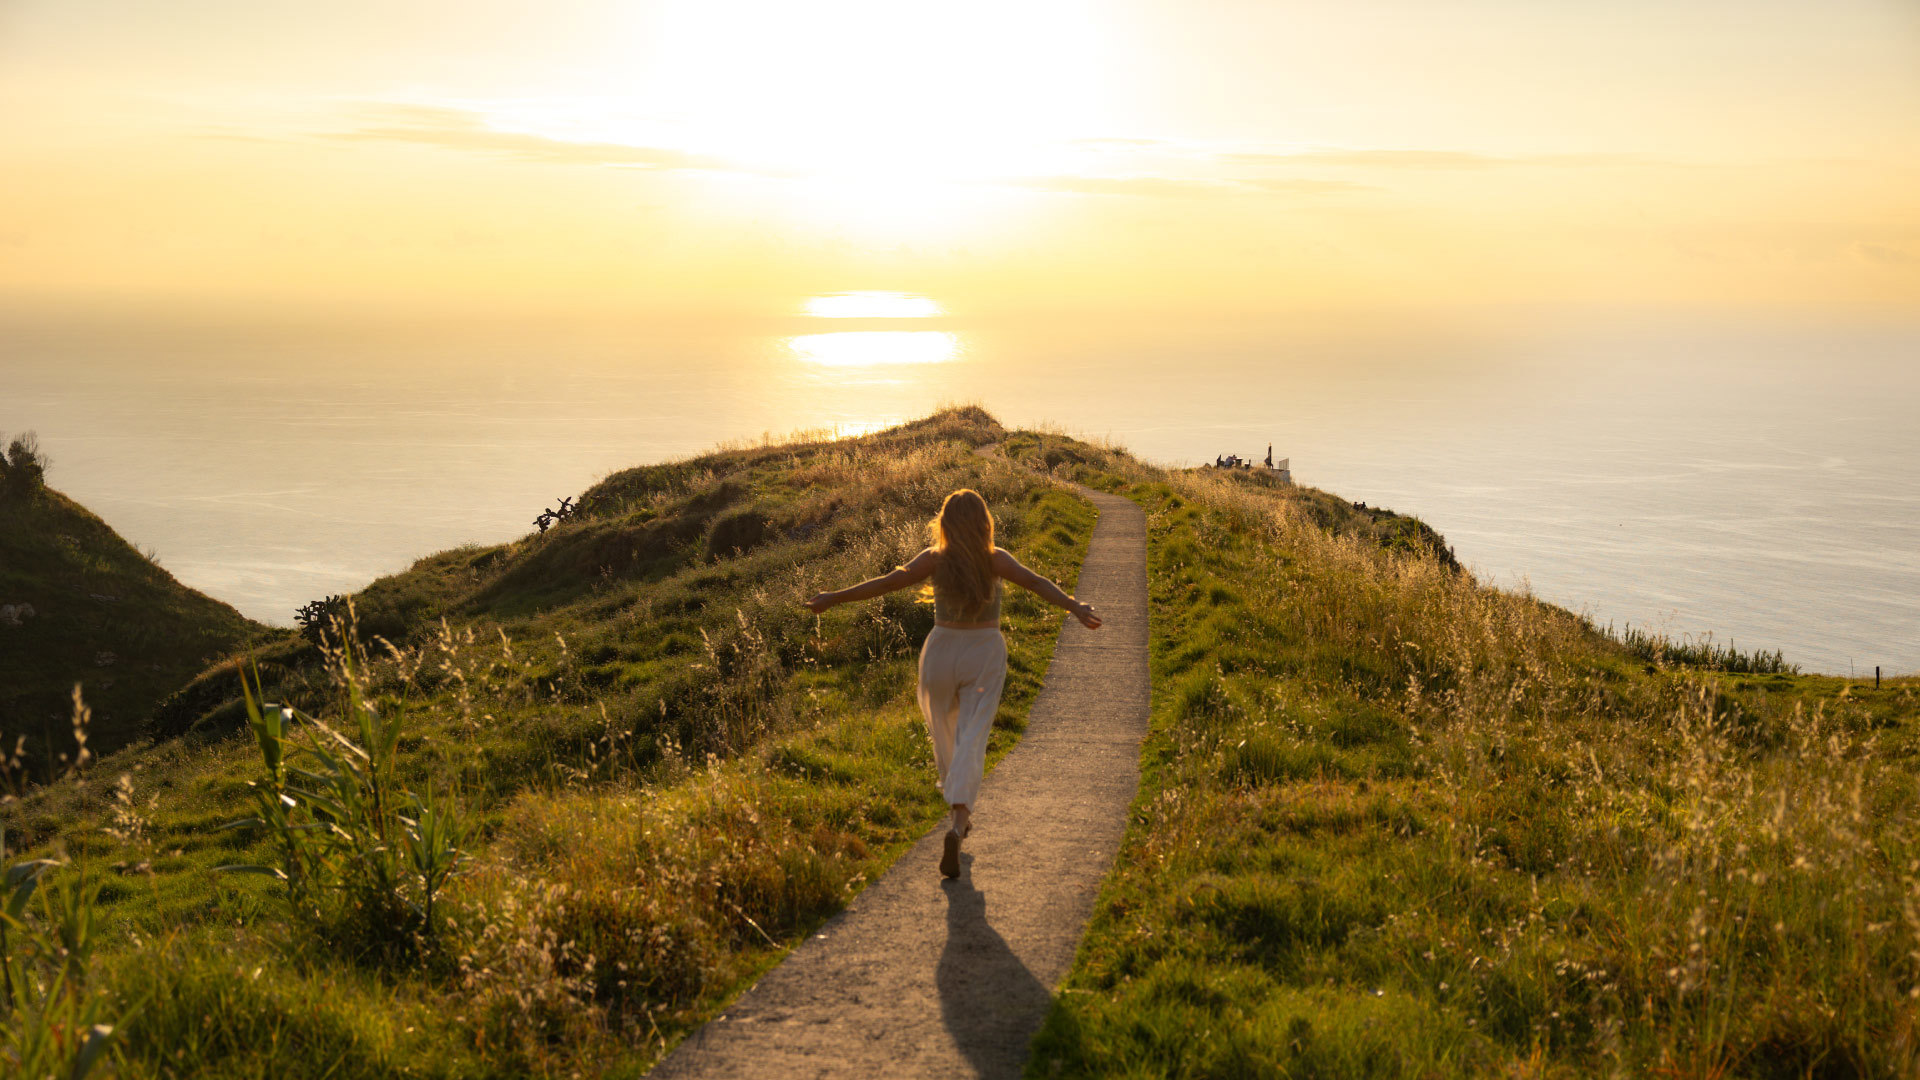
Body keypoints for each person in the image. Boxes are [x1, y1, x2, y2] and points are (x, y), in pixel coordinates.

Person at [805, 489, 1102, 878]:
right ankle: (959, 823)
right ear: (984, 524)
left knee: (945, 737)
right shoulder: (995, 560)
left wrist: (833, 597)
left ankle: (958, 813)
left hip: (941, 652)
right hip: (983, 653)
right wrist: (1074, 606)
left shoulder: (934, 559)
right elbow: (1037, 582)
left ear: (944, 524)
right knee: (972, 738)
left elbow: (886, 581)